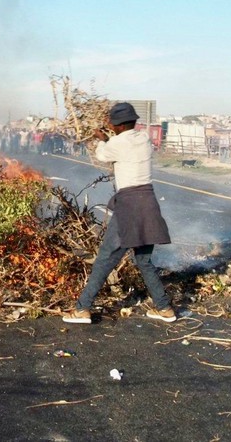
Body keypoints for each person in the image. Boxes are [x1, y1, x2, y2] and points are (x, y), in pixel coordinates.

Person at [63, 102, 176, 324]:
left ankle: (82, 308)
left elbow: (103, 155)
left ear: (118, 125)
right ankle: (164, 308)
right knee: (144, 260)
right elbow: (118, 147)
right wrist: (109, 138)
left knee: (106, 257)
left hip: (129, 206)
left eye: (112, 124)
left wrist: (100, 138)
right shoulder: (143, 139)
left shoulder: (117, 142)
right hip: (148, 203)